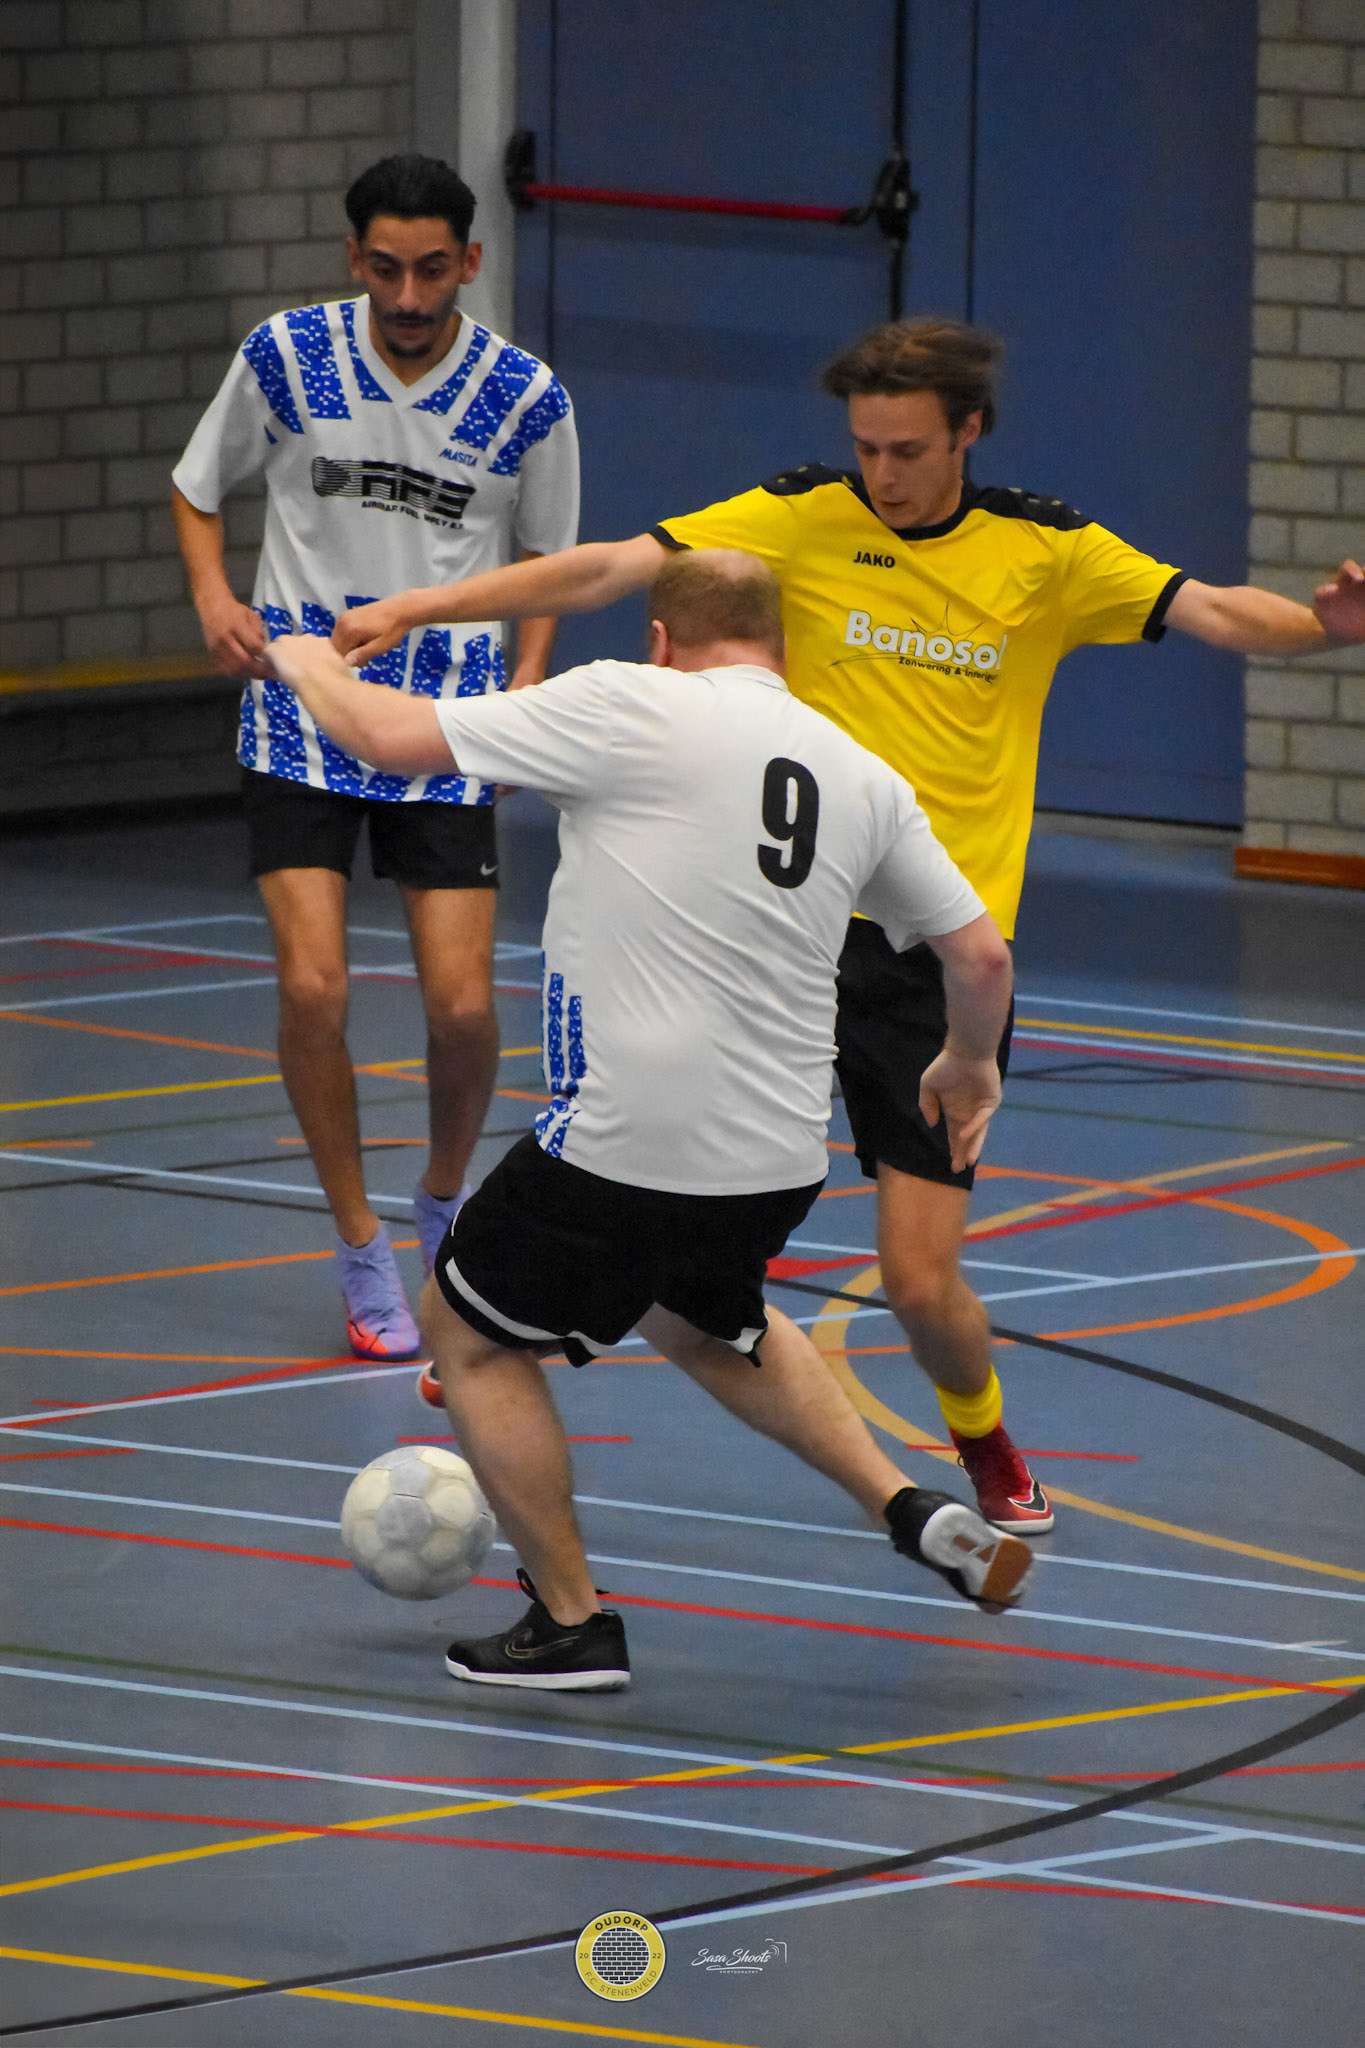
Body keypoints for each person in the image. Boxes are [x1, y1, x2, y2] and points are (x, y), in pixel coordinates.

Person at [328, 316, 1365, 1535]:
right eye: (868, 446)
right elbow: (607, 568)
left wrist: (1325, 628)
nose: (883, 472)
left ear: (969, 432)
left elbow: (1218, 612)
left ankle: (982, 1436)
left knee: (919, 1280)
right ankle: (508, 1312)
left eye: (908, 450)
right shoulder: (802, 514)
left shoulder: (1046, 550)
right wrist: (427, 604)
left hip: (933, 957)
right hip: (783, 922)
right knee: (643, 1135)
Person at [270, 548, 1033, 1691]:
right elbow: (980, 956)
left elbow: (381, 735)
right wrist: (969, 1061)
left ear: (663, 640)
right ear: (779, 647)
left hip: (629, 1136)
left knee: (466, 1332)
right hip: (779, 1153)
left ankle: (570, 1621)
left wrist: (297, 658)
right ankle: (908, 1504)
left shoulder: (625, 701)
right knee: (702, 1315)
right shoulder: (858, 768)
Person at [171, 153, 579, 1362]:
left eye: (433, 269)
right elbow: (197, 488)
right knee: (314, 988)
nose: (408, 295)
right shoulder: (285, 356)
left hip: (447, 722)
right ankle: (359, 1243)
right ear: (355, 257)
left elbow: (550, 559)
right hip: (301, 707)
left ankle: (443, 1198)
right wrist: (213, 598)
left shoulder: (526, 397)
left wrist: (528, 682)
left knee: (462, 1004)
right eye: (386, 268)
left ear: (472, 261)